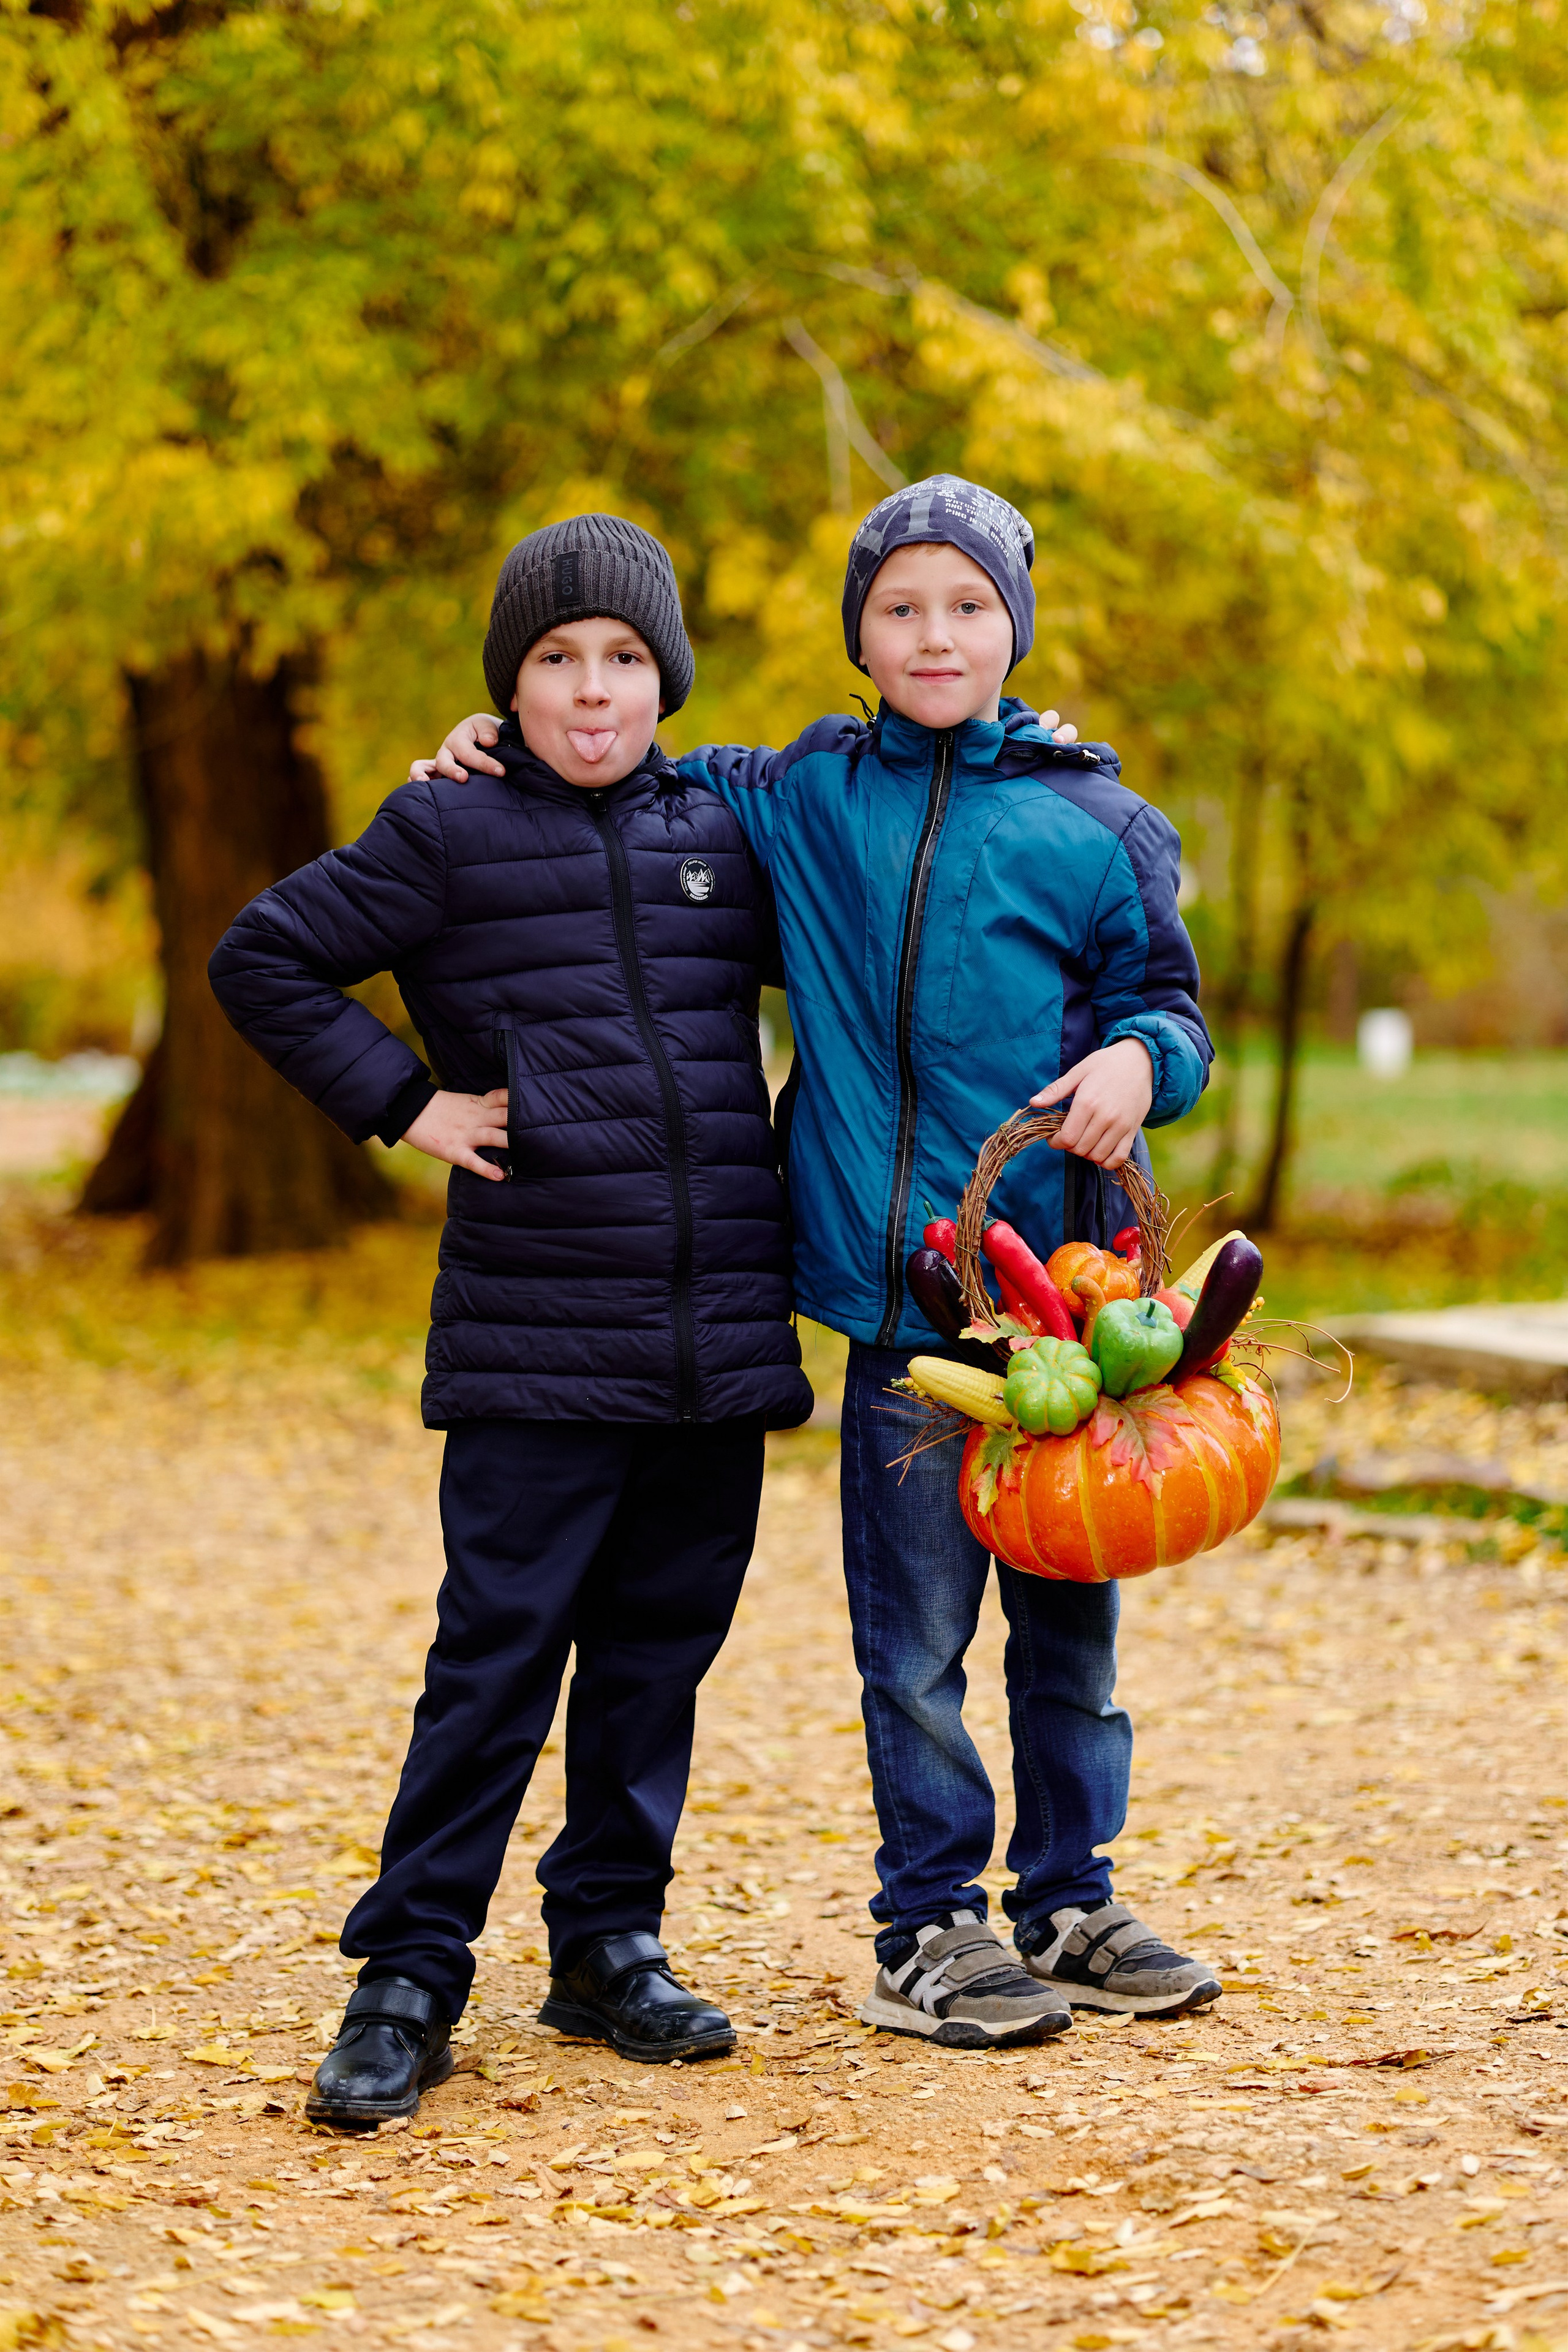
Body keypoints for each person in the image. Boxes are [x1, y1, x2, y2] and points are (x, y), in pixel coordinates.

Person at [420, 475, 1220, 2049]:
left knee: (1071, 1626)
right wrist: (480, 749)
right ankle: (926, 1924)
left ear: (1015, 625)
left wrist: (1143, 1059)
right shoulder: (790, 798)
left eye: (968, 606)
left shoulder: (1099, 821)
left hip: (1076, 1300)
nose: (936, 634)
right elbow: (612, 760)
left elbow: (1172, 1010)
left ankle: (1069, 1891)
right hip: (897, 1302)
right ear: (858, 634)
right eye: (900, 607)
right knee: (914, 1641)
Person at [210, 516, 812, 2123]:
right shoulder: (447, 829)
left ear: (667, 678)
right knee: (493, 1658)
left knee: (654, 1659)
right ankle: (408, 1974)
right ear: (510, 685)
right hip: (537, 1330)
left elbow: (882, 805)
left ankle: (607, 1942)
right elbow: (262, 959)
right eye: (556, 660)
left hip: (714, 1332)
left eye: (624, 659)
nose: (593, 689)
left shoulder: (733, 828)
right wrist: (408, 1103)